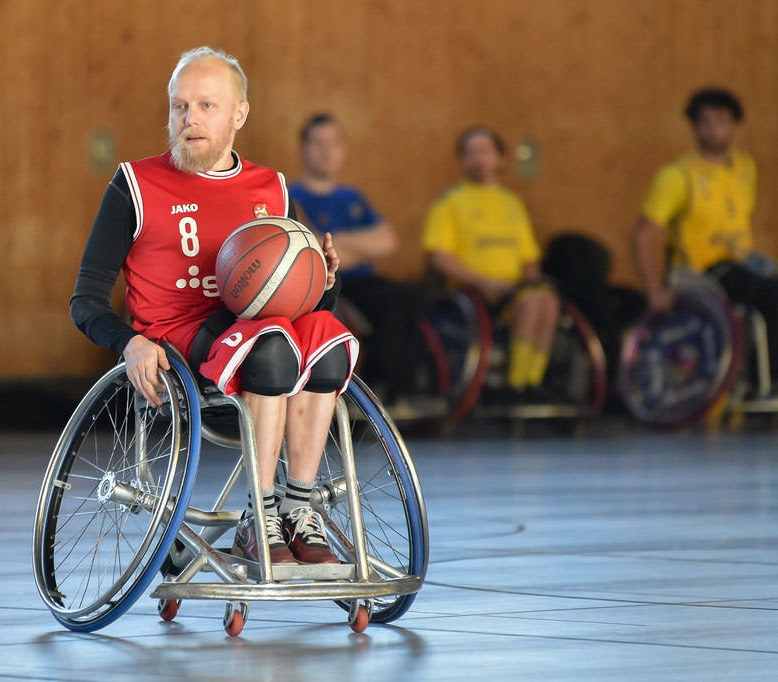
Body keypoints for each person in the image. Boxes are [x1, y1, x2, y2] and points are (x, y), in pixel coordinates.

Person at [70, 47, 358, 566]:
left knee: (329, 341)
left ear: (239, 114)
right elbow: (85, 301)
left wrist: (324, 281)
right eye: (179, 106)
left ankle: (297, 507)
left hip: (259, 331)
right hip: (181, 344)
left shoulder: (272, 187)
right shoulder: (134, 184)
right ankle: (258, 516)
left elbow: (301, 301)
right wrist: (130, 343)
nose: (190, 119)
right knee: (271, 347)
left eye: (206, 106)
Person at [631, 87, 778, 384]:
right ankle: (769, 382)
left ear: (736, 126)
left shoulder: (744, 168)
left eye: (722, 122)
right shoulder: (677, 176)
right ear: (694, 127)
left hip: (741, 264)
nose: (714, 130)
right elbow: (642, 236)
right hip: (700, 273)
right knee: (772, 293)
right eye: (705, 122)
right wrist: (653, 290)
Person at [288, 113, 421, 406]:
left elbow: (388, 241)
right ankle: (388, 391)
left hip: (365, 282)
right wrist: (362, 245)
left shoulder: (352, 197)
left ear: (343, 149)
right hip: (326, 286)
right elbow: (317, 254)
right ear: (303, 148)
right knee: (390, 302)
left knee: (407, 295)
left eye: (334, 143)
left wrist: (338, 238)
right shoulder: (291, 196)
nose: (326, 151)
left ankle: (404, 391)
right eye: (318, 143)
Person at [421, 126, 560, 401]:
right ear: (462, 160)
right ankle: (516, 386)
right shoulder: (450, 202)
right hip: (476, 293)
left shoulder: (513, 203)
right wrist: (485, 282)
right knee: (531, 303)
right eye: (470, 153)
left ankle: (532, 382)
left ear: (500, 158)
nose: (478, 159)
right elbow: (438, 256)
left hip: (515, 290)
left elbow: (529, 257)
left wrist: (532, 282)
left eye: (485, 152)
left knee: (547, 300)